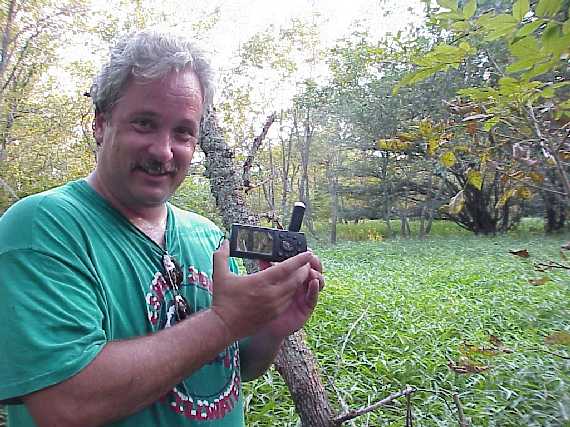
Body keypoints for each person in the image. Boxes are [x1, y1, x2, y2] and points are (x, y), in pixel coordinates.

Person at [0, 29, 324, 427]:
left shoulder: (207, 236)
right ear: (101, 124)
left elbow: (232, 365)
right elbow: (65, 404)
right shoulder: (41, 228)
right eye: (144, 123)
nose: (163, 150)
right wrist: (225, 319)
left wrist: (269, 327)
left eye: (183, 132)